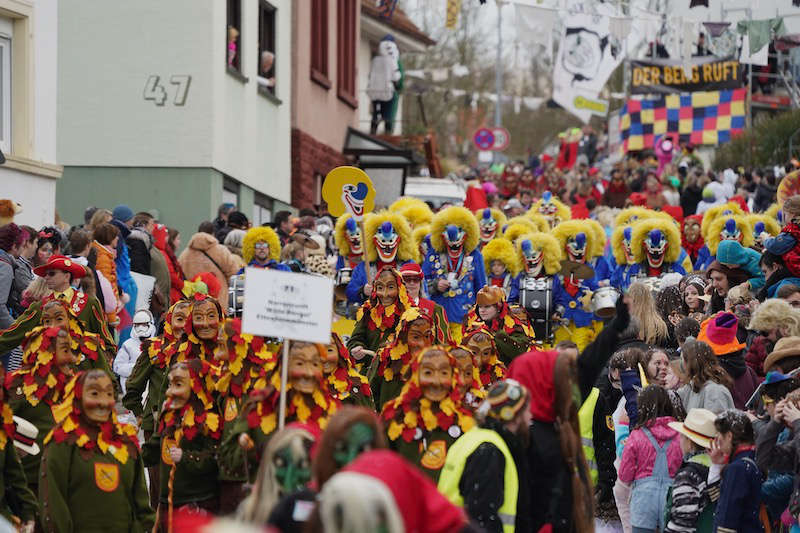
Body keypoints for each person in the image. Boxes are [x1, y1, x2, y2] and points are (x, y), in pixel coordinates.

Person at [38, 369, 154, 532]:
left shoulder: (127, 443)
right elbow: (55, 509)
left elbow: (142, 506)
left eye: (108, 394)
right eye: (94, 393)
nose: (103, 401)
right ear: (77, 398)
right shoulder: (63, 443)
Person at [438, 379, 532, 532]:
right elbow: (482, 519)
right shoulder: (489, 450)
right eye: (527, 410)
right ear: (513, 414)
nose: (530, 417)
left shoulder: (471, 438)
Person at [143, 359, 222, 525]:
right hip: (167, 504)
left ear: (196, 386)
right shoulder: (171, 415)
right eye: (170, 385)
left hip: (195, 505)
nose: (170, 392)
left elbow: (214, 458)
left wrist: (185, 458)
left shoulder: (209, 420)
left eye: (178, 385)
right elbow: (153, 451)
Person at [381, 346, 475, 482]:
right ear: (416, 375)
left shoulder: (465, 419)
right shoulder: (395, 415)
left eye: (443, 373)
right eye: (428, 373)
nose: (436, 382)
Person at [0, 255, 116, 356]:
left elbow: (105, 338)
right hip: (50, 372)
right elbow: (13, 334)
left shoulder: (89, 303)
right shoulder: (40, 307)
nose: (46, 277)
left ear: (67, 276)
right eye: (46, 274)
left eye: (51, 273)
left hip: (80, 372)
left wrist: (108, 358)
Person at [618, 385, 683, 533]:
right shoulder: (680, 435)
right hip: (672, 497)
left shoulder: (637, 435)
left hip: (643, 499)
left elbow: (625, 475)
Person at [422, 206, 486, 342]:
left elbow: (481, 288)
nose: (453, 235)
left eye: (460, 230)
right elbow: (421, 283)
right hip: (438, 317)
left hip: (464, 318)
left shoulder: (475, 256)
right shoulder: (434, 254)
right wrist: (435, 285)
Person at [708, 410, 763, 533]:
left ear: (729, 436)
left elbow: (726, 515)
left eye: (719, 434)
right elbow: (720, 500)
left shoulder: (737, 468)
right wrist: (717, 465)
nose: (716, 439)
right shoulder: (752, 458)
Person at [664, 408, 718, 533]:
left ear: (689, 443)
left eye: (682, 436)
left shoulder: (688, 476)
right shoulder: (720, 469)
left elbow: (682, 524)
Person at [347, 267, 412, 370]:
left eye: (390, 287)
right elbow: (355, 339)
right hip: (370, 374)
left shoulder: (410, 315)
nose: (385, 294)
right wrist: (357, 348)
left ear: (399, 289)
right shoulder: (368, 311)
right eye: (380, 288)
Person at [462, 286, 530, 364]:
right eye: (480, 307)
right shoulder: (472, 323)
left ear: (498, 307)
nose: (482, 311)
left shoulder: (513, 324)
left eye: (487, 307)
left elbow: (520, 351)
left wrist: (493, 333)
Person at [677, 339, 735, 414]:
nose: (681, 365)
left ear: (691, 363)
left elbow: (715, 423)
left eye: (682, 360)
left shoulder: (714, 392)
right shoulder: (692, 386)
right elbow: (672, 399)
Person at [398, 262, 451, 343]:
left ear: (420, 283)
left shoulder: (435, 309)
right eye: (407, 280)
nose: (412, 283)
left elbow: (444, 343)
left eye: (416, 280)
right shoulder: (393, 308)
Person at [113, 309, 155, 393]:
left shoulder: (157, 344)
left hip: (152, 387)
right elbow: (117, 367)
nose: (140, 328)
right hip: (132, 387)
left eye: (144, 325)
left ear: (150, 324)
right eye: (138, 325)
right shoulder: (128, 345)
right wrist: (137, 368)